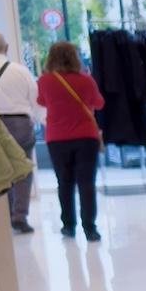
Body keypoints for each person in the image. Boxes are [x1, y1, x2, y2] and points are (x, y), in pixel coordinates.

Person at [36, 41, 104, 241]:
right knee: (87, 183)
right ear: (75, 57)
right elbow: (99, 103)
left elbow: (41, 101)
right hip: (86, 137)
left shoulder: (45, 81)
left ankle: (68, 225)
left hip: (57, 138)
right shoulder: (86, 80)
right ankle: (90, 228)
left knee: (64, 182)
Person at [0, 31, 41, 234]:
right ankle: (19, 215)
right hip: (19, 123)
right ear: (6, 48)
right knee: (22, 169)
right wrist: (38, 120)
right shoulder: (20, 71)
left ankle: (1, 215)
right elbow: (35, 100)